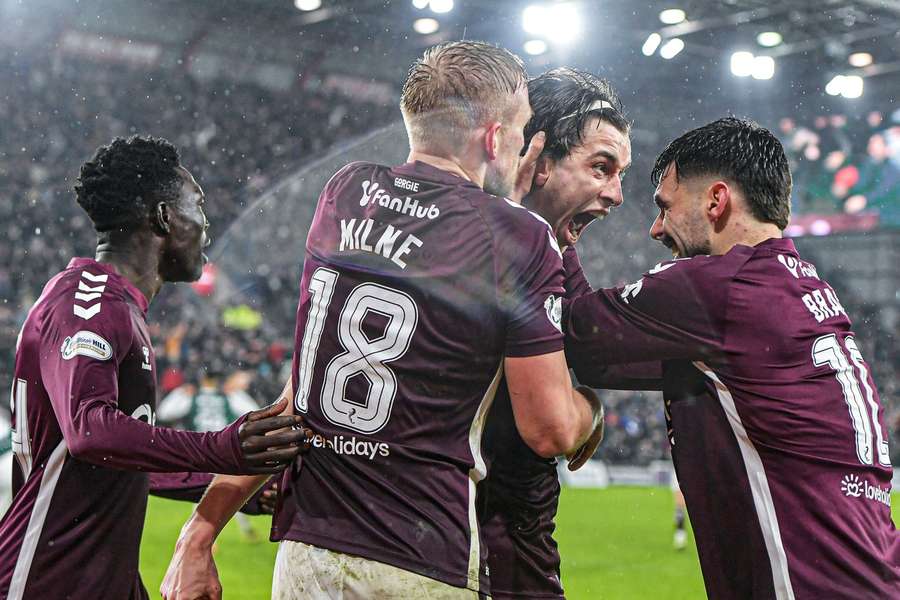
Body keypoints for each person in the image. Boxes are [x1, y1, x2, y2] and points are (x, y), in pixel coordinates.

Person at [161, 41, 603, 600]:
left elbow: (299, 398)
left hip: (309, 554)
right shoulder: (517, 235)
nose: (522, 147)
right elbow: (550, 430)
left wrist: (198, 535)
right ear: (494, 138)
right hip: (419, 557)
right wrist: (592, 411)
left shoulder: (345, 191)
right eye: (519, 131)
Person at [564, 117, 899, 598]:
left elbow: (575, 327)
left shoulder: (721, 286)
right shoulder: (800, 290)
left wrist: (558, 222)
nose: (656, 228)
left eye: (665, 207)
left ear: (716, 201)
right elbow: (601, 361)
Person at [0, 136, 311, 600]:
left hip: (99, 577)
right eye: (198, 205)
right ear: (164, 216)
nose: (206, 224)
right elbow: (90, 433)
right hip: (44, 576)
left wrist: (210, 484)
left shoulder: (119, 307)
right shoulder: (88, 299)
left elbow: (112, 457)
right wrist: (220, 449)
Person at [477, 67, 631, 600]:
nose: (615, 194)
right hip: (491, 552)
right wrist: (589, 412)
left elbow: (594, 342)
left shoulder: (547, 251)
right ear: (537, 159)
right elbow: (554, 431)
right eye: (601, 167)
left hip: (451, 542)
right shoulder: (494, 245)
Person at [157, 364, 262, 540]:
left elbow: (164, 413)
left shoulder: (191, 395)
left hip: (200, 450)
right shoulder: (228, 396)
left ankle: (199, 535)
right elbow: (255, 411)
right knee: (229, 489)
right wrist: (237, 392)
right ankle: (209, 534)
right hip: (225, 449)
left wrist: (180, 393)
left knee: (205, 491)